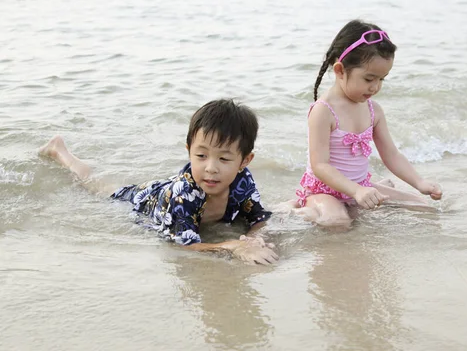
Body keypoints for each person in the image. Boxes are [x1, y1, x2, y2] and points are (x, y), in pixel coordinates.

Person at [39, 99, 278, 265]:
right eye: (201, 156)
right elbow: (184, 246)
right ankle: (61, 152)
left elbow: (259, 218)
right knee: (99, 188)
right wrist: (233, 246)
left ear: (244, 161)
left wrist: (256, 239)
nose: (211, 168)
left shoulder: (242, 181)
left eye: (224, 158)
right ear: (189, 151)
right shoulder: (184, 195)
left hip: (164, 191)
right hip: (145, 200)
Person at [295, 19, 443, 227]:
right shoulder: (323, 111)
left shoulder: (374, 111)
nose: (375, 87)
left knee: (422, 206)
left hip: (360, 187)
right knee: (337, 222)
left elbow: (391, 154)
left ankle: (371, 193)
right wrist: (356, 191)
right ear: (340, 70)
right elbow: (320, 166)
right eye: (369, 79)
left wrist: (419, 183)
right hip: (324, 190)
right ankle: (299, 208)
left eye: (382, 79)